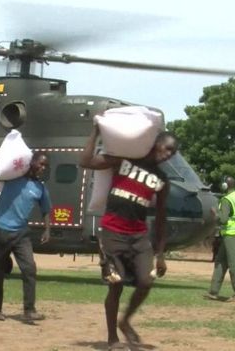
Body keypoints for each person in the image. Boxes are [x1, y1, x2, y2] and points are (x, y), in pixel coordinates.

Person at [79, 126, 177, 350]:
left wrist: (161, 254)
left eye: (174, 152)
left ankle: (125, 321)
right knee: (116, 283)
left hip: (139, 236)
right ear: (156, 144)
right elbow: (85, 161)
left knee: (146, 281)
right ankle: (112, 338)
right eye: (168, 148)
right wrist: (95, 132)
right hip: (113, 232)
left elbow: (161, 219)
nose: (170, 154)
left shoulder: (162, 180)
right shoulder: (124, 162)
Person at [0, 151, 52, 322]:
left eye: (45, 166)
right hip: (1, 229)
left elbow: (45, 209)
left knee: (29, 269)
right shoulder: (12, 179)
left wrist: (47, 229)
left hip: (21, 233)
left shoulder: (40, 188)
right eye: (41, 164)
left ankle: (29, 310)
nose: (43, 168)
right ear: (32, 163)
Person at [205, 176, 235, 302]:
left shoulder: (226, 200)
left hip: (231, 234)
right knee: (220, 262)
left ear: (225, 185)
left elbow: (223, 219)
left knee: (233, 263)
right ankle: (213, 291)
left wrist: (215, 214)